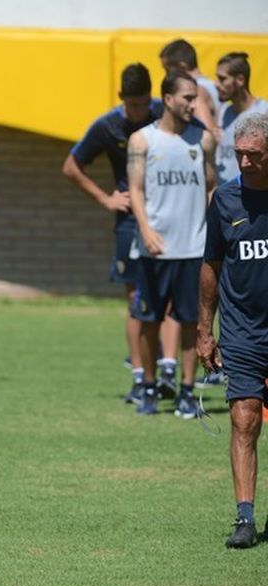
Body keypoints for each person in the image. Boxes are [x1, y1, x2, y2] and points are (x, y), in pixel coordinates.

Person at [62, 63, 167, 404]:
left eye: (142, 104)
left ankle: (165, 372)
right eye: (131, 105)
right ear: (121, 99)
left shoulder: (165, 115)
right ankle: (139, 377)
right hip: (129, 223)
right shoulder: (108, 125)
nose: (137, 111)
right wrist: (105, 198)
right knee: (136, 299)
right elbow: (70, 166)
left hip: (167, 217)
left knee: (168, 299)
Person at [127, 71, 216, 417]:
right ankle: (148, 387)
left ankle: (188, 390)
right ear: (167, 99)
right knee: (148, 320)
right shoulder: (142, 141)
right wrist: (146, 230)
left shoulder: (202, 140)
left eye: (195, 98)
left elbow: (211, 186)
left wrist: (210, 229)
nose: (194, 104)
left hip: (193, 248)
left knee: (192, 321)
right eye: (187, 98)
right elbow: (135, 189)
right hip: (155, 247)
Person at [198, 112, 268, 548]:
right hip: (242, 329)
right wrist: (205, 329)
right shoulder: (225, 201)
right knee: (244, 418)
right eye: (239, 155)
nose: (244, 163)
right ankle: (245, 518)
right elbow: (211, 266)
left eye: (254, 156)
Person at [214, 52, 268, 187]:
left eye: (222, 79)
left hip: (253, 197)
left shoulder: (264, 111)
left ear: (240, 80)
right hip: (228, 198)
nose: (216, 84)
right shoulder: (224, 111)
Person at [160, 38, 219, 132]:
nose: (167, 76)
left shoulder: (195, 90)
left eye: (168, 70)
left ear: (182, 67)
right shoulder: (213, 85)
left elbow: (207, 129)